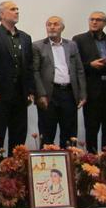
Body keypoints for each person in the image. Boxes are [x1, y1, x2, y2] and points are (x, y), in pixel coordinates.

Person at [0, 1, 35, 154]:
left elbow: (29, 66)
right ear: (2, 14)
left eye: (17, 9)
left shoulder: (25, 37)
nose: (17, 12)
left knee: (19, 132)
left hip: (20, 93)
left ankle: (15, 164)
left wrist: (30, 90)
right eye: (12, 9)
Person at [72, 11, 106, 153]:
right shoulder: (79, 39)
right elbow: (75, 65)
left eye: (98, 20)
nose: (94, 22)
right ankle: (91, 159)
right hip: (92, 88)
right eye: (92, 19)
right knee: (91, 127)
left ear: (105, 23)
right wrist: (90, 65)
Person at [33, 16, 87, 148]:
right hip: (48, 95)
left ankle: (69, 159)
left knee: (69, 134)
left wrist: (83, 94)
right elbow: (34, 71)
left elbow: (79, 70)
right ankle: (46, 158)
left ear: (62, 28)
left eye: (55, 24)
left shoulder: (72, 45)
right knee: (47, 133)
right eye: (49, 24)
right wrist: (40, 94)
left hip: (69, 93)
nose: (52, 27)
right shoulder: (37, 46)